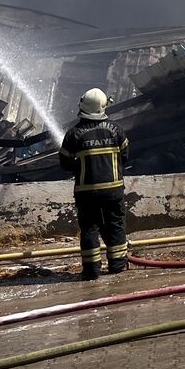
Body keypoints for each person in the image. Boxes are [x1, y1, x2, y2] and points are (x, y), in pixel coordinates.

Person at [58, 88, 130, 279]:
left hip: (86, 191)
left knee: (90, 228)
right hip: (113, 189)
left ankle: (91, 271)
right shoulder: (117, 130)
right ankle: (118, 264)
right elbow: (125, 157)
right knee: (115, 224)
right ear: (103, 107)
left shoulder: (74, 134)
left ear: (82, 106)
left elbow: (65, 163)